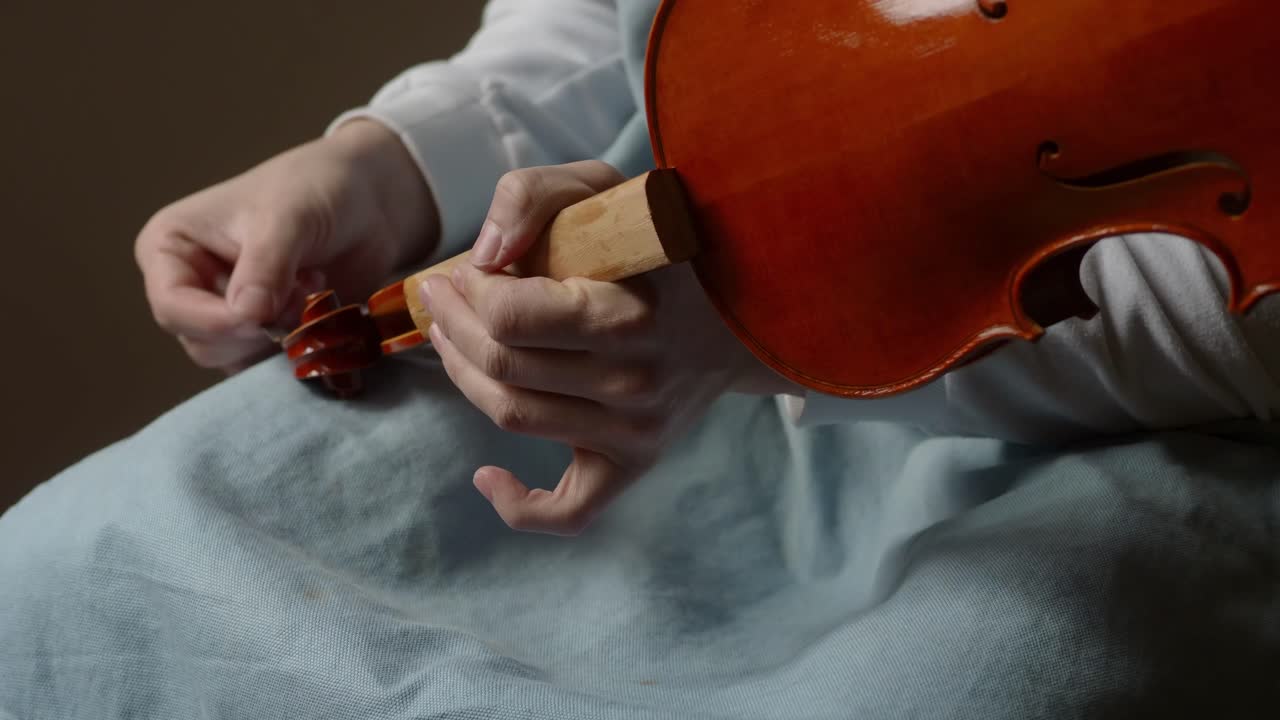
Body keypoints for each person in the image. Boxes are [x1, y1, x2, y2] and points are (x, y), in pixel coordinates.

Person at [4, 1, 1278, 717]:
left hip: (1115, 417)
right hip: (651, 259)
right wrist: (388, 161)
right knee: (67, 570)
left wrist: (757, 323)